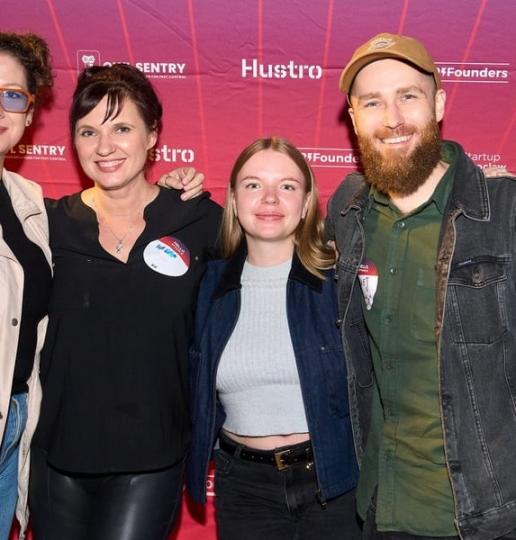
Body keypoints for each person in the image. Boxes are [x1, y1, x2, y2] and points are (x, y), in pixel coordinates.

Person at [0, 31, 205, 540]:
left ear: (153, 135)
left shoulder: (199, 221)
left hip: (153, 454)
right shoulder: (47, 221)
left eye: (122, 128)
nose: (105, 146)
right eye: (88, 131)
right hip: (55, 454)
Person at [326, 33, 516, 540]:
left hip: (484, 515)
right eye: (373, 102)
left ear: (439, 105)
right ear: (354, 118)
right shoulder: (347, 211)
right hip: (381, 506)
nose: (393, 118)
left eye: (408, 96)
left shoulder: (503, 212)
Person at [187, 137, 359, 540]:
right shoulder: (205, 286)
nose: (269, 198)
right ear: (233, 200)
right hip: (243, 488)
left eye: (287, 186)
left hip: (333, 482)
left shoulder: (339, 282)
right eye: (253, 184)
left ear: (306, 202)